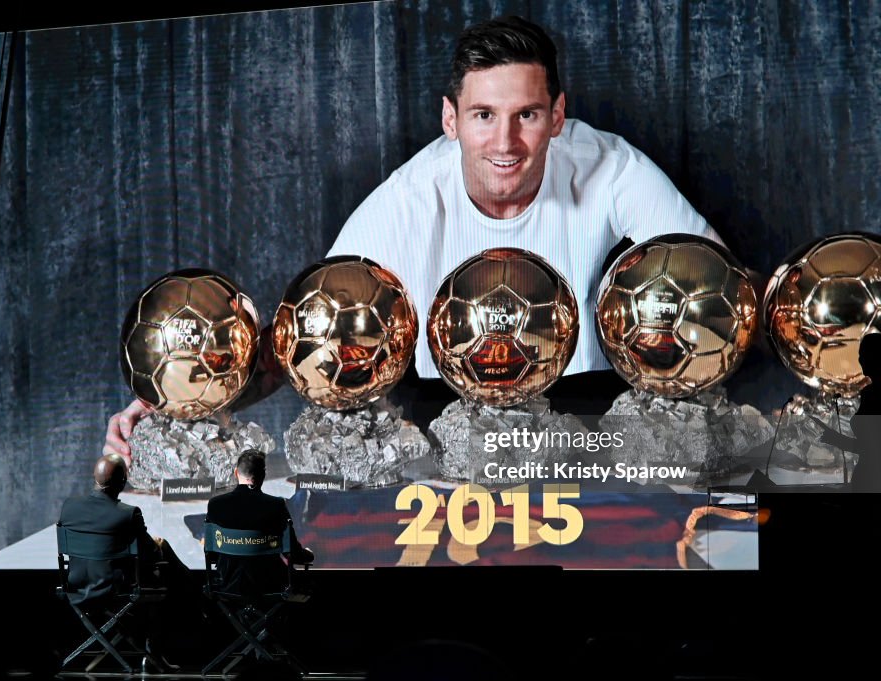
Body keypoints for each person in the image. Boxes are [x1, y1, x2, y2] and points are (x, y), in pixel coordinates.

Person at [105, 15, 725, 456]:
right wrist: (179, 399)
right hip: (445, 409)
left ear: (557, 115)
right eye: (483, 116)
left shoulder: (609, 165)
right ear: (451, 119)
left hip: (585, 401)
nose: (506, 143)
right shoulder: (405, 200)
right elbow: (304, 342)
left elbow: (718, 284)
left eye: (527, 116)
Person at [59, 453, 193, 664]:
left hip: (76, 586)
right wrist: (158, 545)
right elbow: (150, 553)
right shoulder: (127, 514)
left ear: (95, 478)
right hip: (115, 590)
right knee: (165, 570)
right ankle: (154, 653)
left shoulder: (69, 507)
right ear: (123, 482)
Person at [205, 450, 314, 594]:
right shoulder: (275, 505)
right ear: (263, 475)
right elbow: (292, 552)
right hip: (270, 586)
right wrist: (308, 554)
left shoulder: (215, 505)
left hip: (227, 585)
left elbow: (211, 553)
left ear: (236, 473)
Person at [814, 332, 880, 492]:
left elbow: (873, 449)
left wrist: (836, 439)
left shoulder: (874, 395)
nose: (859, 360)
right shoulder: (868, 392)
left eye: (863, 354)